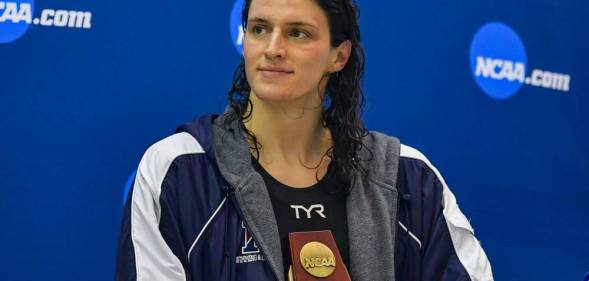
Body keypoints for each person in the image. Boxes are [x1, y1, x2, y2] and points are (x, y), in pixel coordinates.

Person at [115, 0, 494, 280]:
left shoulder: (408, 178)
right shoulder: (180, 170)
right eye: (259, 28)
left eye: (298, 33)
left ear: (339, 56)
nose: (273, 48)